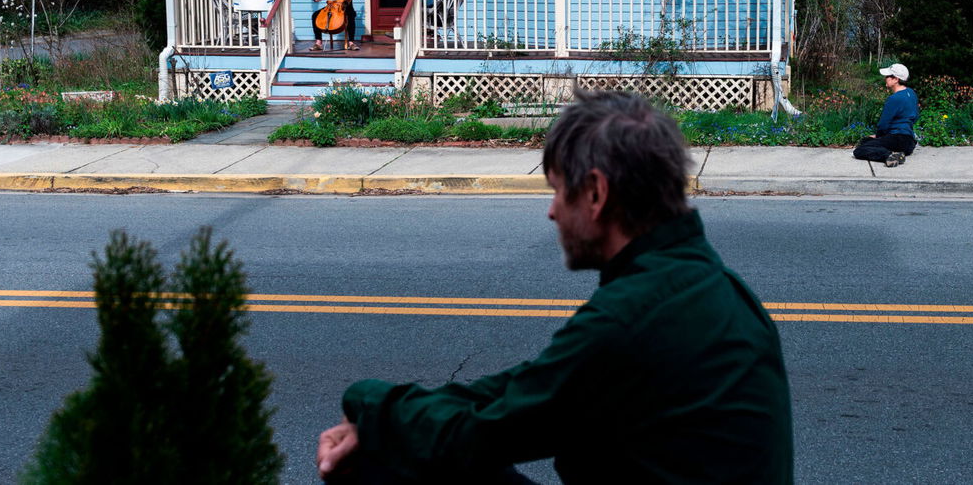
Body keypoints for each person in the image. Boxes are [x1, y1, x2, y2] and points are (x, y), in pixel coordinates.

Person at [317, 89, 794, 484]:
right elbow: (524, 388)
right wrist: (388, 417)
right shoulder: (719, 288)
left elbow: (490, 429)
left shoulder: (631, 317)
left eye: (555, 189)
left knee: (389, 459)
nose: (550, 212)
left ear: (594, 192)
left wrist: (370, 407)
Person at [853, 63, 919, 168]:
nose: (885, 78)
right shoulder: (911, 93)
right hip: (909, 142)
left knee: (860, 150)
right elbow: (915, 117)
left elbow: (883, 124)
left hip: (896, 139)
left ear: (896, 79)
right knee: (867, 141)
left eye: (888, 76)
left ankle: (889, 155)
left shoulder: (894, 99)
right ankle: (897, 153)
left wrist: (878, 136)